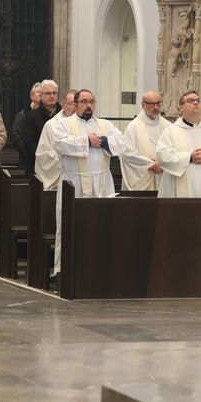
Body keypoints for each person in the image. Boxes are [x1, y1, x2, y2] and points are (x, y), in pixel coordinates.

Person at [51, 88, 137, 275]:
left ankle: (101, 269)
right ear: (75, 104)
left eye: (92, 101)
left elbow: (122, 143)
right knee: (71, 226)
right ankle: (64, 270)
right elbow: (59, 143)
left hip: (102, 182)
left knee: (103, 227)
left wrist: (104, 141)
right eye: (84, 101)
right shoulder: (63, 124)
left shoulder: (105, 125)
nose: (89, 105)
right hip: (73, 184)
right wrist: (86, 141)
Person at [121, 90, 171, 191]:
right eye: (151, 104)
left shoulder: (168, 126)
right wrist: (151, 165)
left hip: (163, 177)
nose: (156, 107)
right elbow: (126, 153)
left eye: (158, 103)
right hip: (141, 182)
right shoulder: (133, 126)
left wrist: (162, 165)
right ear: (143, 105)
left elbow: (175, 150)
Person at [33, 89, 77, 190]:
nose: (74, 108)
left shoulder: (84, 124)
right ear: (63, 105)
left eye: (76, 104)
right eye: (71, 104)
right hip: (58, 180)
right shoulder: (52, 125)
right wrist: (69, 160)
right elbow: (43, 156)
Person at [17, 80, 58, 173]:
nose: (52, 96)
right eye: (48, 93)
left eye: (54, 93)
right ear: (41, 96)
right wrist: (46, 157)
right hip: (37, 164)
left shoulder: (63, 115)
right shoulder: (30, 116)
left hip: (60, 164)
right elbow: (28, 142)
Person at [10, 82, 41, 166]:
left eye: (43, 92)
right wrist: (30, 153)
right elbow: (16, 136)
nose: (41, 94)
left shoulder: (50, 114)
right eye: (38, 92)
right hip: (26, 159)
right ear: (32, 96)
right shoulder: (22, 115)